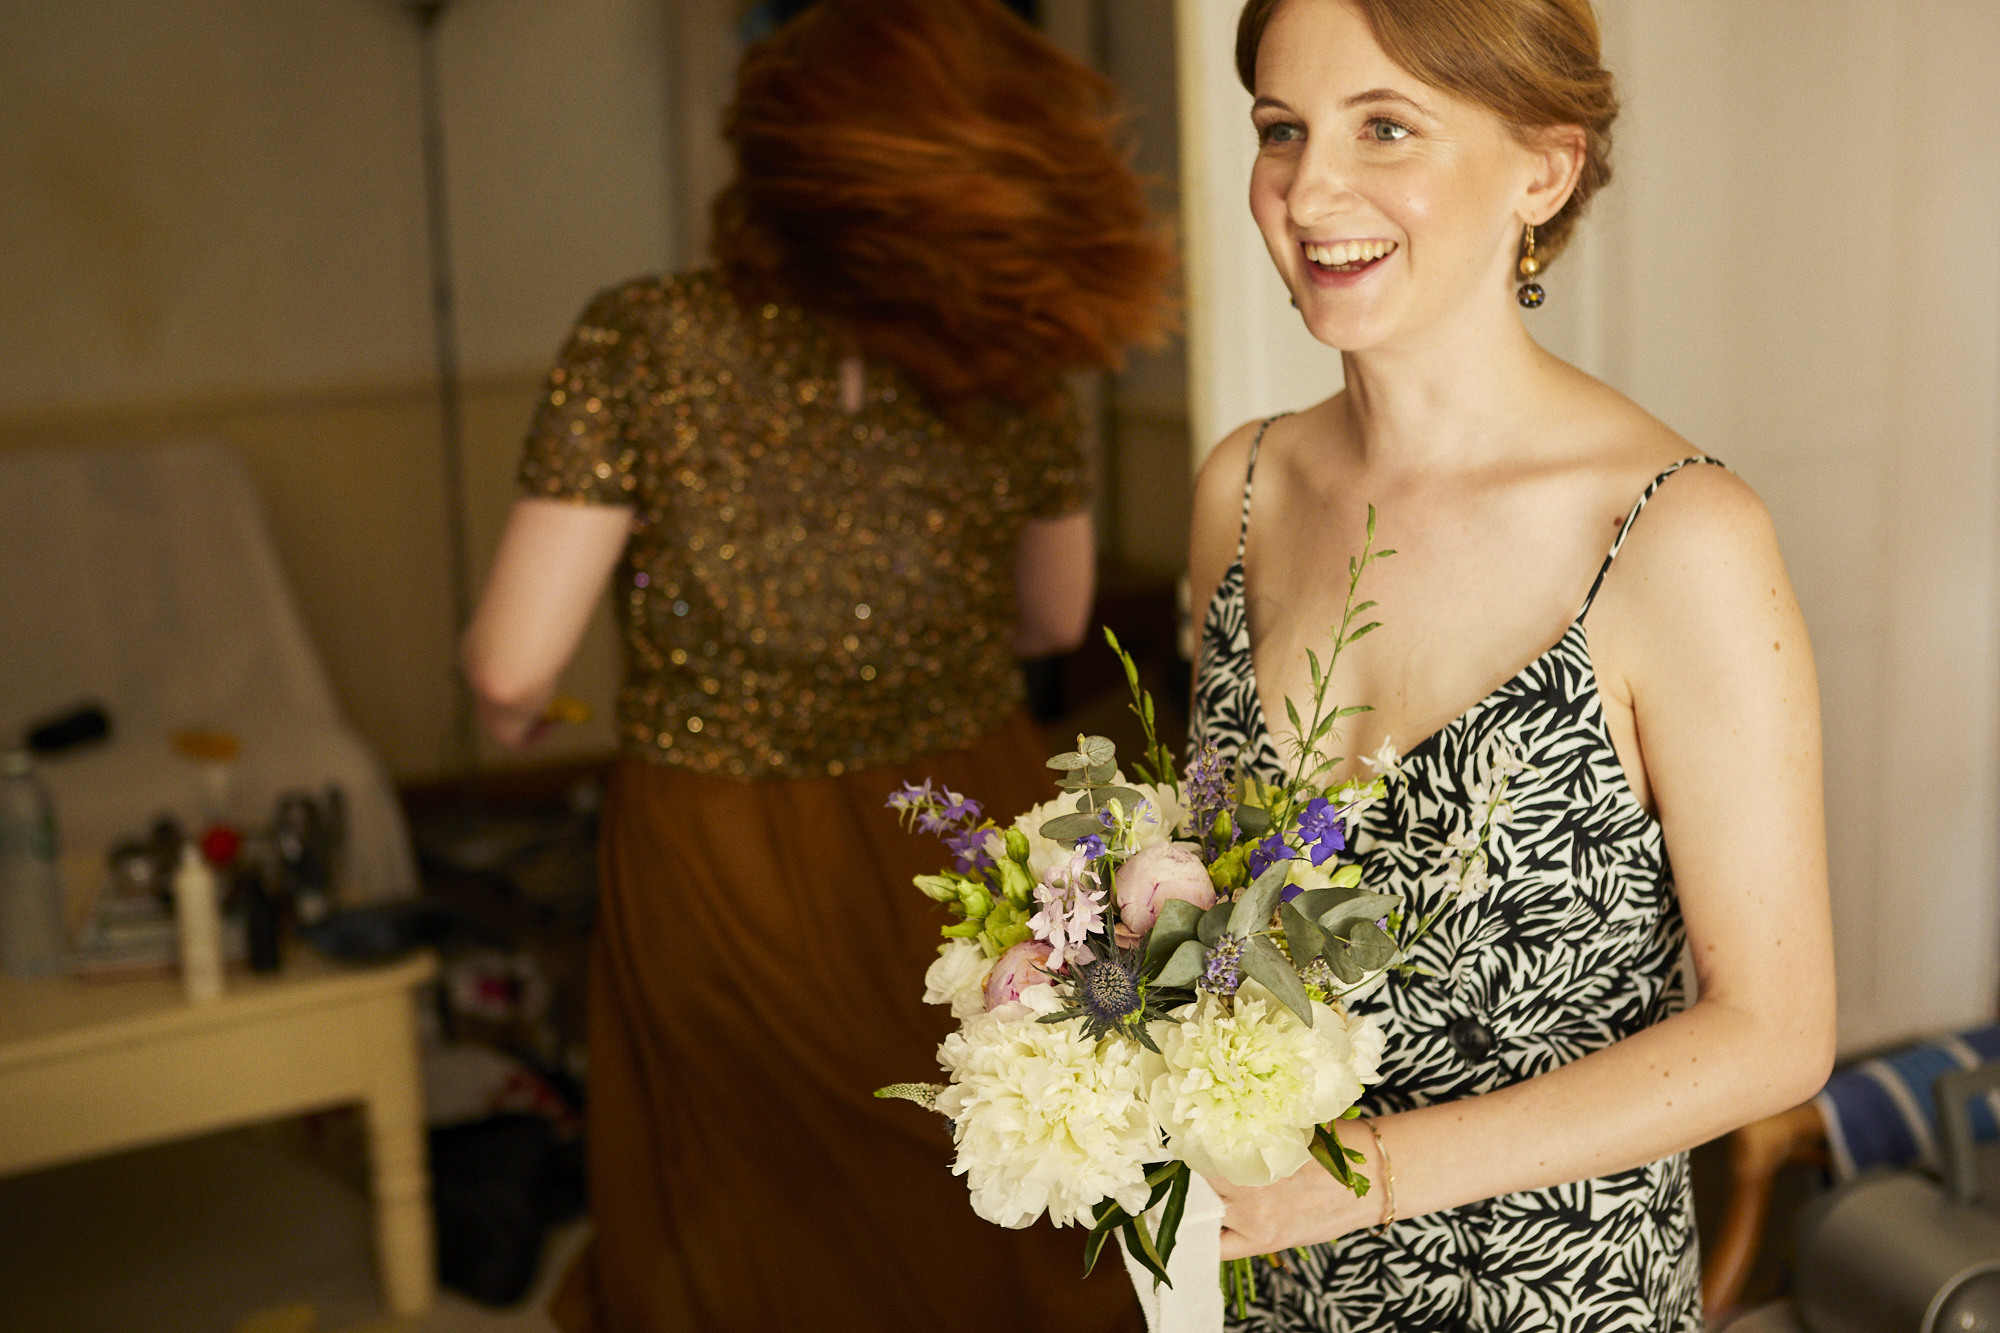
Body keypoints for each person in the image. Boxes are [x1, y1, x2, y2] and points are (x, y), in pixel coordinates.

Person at [460, 2, 1171, 1329]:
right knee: (994, 1198)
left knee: (746, 1224)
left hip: (714, 837)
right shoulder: (1010, 360)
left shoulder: (643, 338)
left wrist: (508, 717)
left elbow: (511, 665)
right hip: (966, 834)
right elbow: (1052, 620)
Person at [1185, 0, 1835, 1328]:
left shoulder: (1676, 537)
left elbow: (1775, 1028)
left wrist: (1362, 1178)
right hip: (1255, 1285)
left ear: (1545, 168)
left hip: (1551, 1300)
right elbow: (1205, 898)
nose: (1312, 190)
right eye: (1282, 129)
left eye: (1386, 127)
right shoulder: (1242, 487)